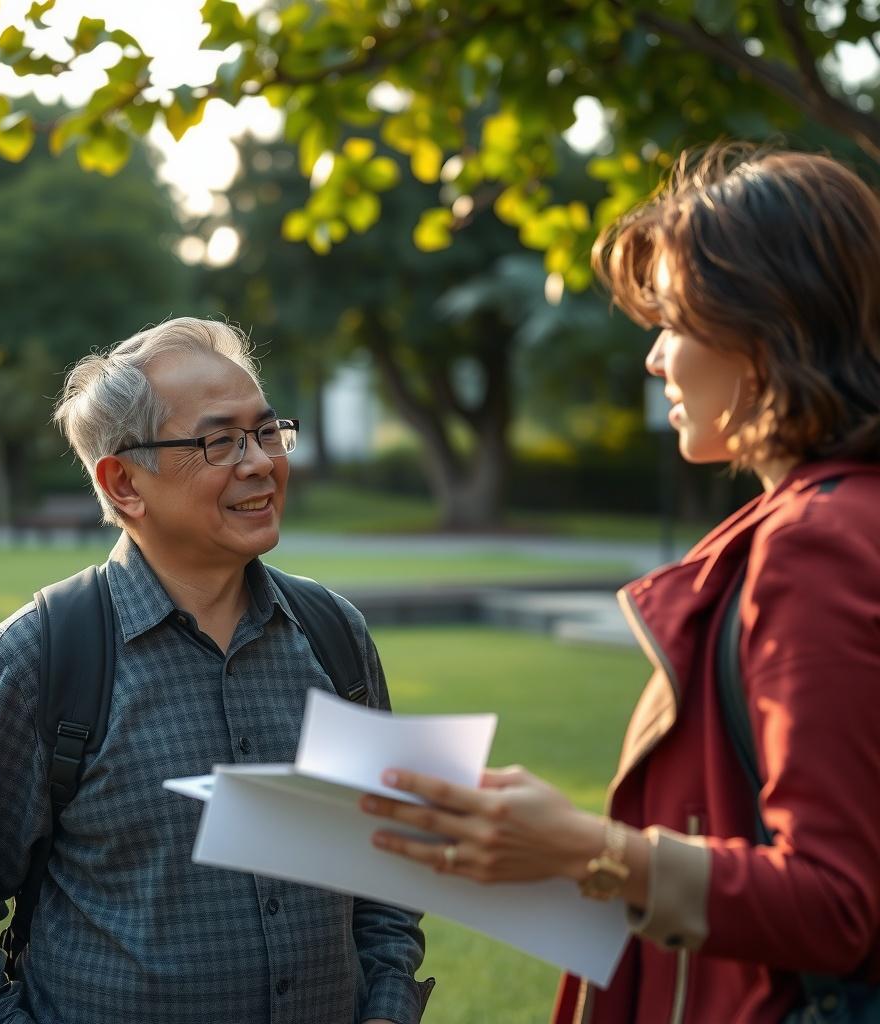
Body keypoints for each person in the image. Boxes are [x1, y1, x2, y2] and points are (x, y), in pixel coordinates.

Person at [361, 146, 880, 1022]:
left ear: (762, 335)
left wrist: (586, 850)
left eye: (672, 322)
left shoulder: (818, 542)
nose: (654, 360)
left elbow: (838, 905)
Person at [0, 317, 430, 1024]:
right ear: (124, 482)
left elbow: (388, 872)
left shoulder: (335, 636)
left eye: (267, 431)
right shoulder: (35, 664)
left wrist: (386, 1008)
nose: (261, 461)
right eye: (218, 440)